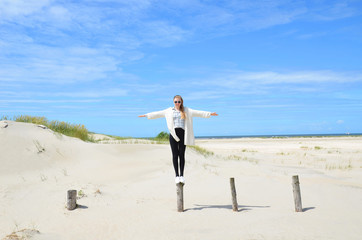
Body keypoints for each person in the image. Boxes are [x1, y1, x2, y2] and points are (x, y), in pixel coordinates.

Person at [139, 95, 218, 184]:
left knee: (182, 155)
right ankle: (176, 175)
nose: (177, 103)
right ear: (173, 102)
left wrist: (210, 113)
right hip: (173, 134)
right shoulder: (168, 111)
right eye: (175, 102)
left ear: (181, 102)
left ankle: (182, 175)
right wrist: (146, 115)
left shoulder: (187, 110)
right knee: (175, 155)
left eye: (179, 102)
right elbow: (157, 114)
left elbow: (198, 113)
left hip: (183, 134)